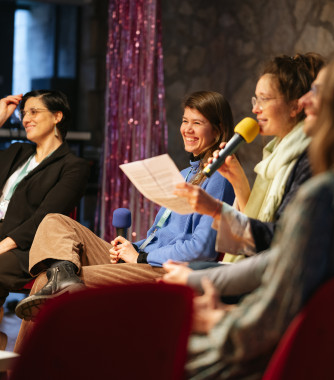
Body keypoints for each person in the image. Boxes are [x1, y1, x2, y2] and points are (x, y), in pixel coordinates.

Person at [179, 44, 334, 379]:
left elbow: (270, 319)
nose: (305, 101)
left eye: (317, 91)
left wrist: (215, 318)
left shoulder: (325, 196)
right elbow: (288, 261)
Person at [13, 90, 235, 327]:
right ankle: (63, 278)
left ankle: (27, 361)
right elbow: (158, 235)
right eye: (184, 121)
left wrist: (141, 256)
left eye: (197, 123)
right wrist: (132, 247)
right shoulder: (186, 173)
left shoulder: (220, 177)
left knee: (49, 282)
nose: (187, 129)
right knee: (55, 221)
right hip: (145, 259)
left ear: (218, 128)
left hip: (166, 271)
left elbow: (201, 250)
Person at [162, 67, 329, 293]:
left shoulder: (308, 161)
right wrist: (238, 180)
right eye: (184, 121)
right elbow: (264, 230)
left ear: (294, 107)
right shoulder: (274, 156)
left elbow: (278, 244)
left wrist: (216, 210)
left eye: (264, 99)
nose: (254, 109)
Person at [0, 90, 89, 309]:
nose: (26, 119)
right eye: (23, 113)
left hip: (25, 248)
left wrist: (3, 245)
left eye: (34, 111)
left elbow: (45, 217)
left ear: (57, 116)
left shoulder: (73, 167)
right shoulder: (16, 151)